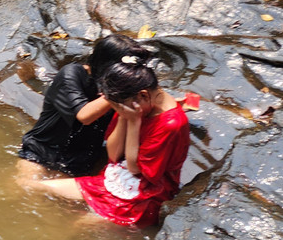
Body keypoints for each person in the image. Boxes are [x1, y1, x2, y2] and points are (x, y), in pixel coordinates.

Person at [32, 56, 190, 225]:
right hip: (117, 175)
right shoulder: (133, 104)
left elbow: (136, 169)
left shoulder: (170, 124)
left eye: (120, 107)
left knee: (78, 225)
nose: (119, 110)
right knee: (37, 188)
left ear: (143, 95)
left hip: (145, 194)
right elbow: (114, 155)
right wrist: (123, 118)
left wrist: (134, 122)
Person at [16, 33, 152, 182]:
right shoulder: (71, 74)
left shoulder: (119, 89)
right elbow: (84, 116)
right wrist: (119, 89)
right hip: (40, 153)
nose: (130, 75)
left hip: (80, 164)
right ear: (107, 65)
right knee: (26, 187)